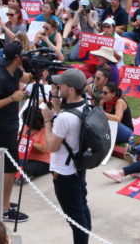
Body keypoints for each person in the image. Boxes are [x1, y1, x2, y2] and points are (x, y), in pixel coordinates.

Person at [0, 42, 30, 223]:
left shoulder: (13, 71)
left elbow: (27, 77)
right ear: (17, 58)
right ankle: (5, 210)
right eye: (22, 55)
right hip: (1, 127)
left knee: (2, 162)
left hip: (9, 124)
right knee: (10, 166)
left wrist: (40, 69)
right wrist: (12, 98)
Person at [43, 68, 93, 244]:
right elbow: (65, 112)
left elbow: (52, 146)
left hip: (65, 174)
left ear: (70, 89)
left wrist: (47, 120)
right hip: (78, 166)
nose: (59, 85)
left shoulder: (64, 119)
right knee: (82, 210)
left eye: (62, 84)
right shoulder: (85, 104)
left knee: (75, 221)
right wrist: (56, 97)